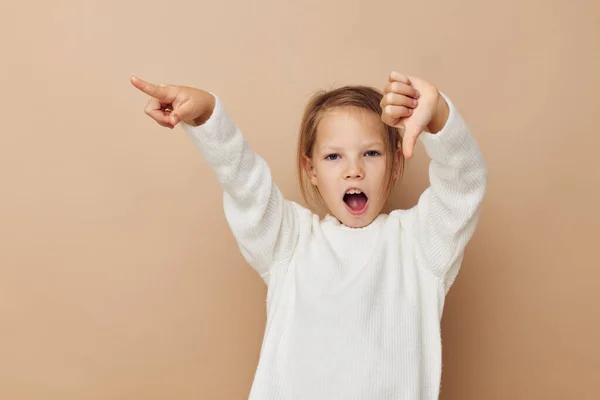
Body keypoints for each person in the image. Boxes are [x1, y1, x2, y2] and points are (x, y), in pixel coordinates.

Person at [130, 71, 488, 399]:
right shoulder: (291, 242)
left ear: (395, 164)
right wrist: (208, 115)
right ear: (310, 169)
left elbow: (462, 186)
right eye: (334, 157)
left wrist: (438, 114)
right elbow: (245, 183)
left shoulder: (418, 244)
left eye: (371, 153)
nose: (354, 171)